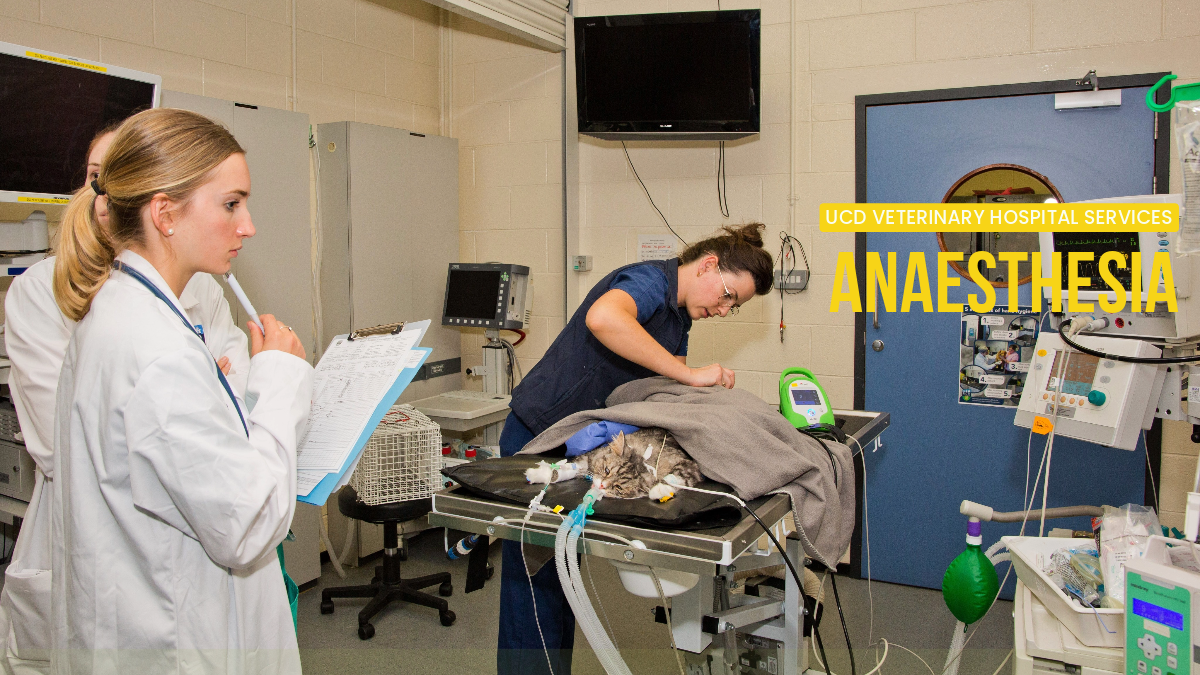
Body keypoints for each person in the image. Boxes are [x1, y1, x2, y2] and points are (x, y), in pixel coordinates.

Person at [48, 108, 312, 673]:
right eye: (231, 203)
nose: (249, 225)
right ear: (165, 213)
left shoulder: (125, 312)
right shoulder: (157, 350)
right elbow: (247, 526)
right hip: (174, 643)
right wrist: (278, 381)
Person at [0, 123, 250, 675]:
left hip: (189, 539)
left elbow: (240, 387)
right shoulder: (40, 293)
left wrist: (208, 398)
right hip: (99, 543)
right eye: (100, 177)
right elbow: (58, 443)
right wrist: (202, 393)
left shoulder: (198, 282)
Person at [496, 223, 775, 675]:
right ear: (708, 265)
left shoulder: (678, 320)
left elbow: (665, 396)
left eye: (734, 307)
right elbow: (604, 319)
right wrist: (691, 376)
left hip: (581, 447)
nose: (725, 310)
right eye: (727, 295)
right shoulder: (648, 281)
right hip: (538, 437)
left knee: (564, 570)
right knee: (534, 578)